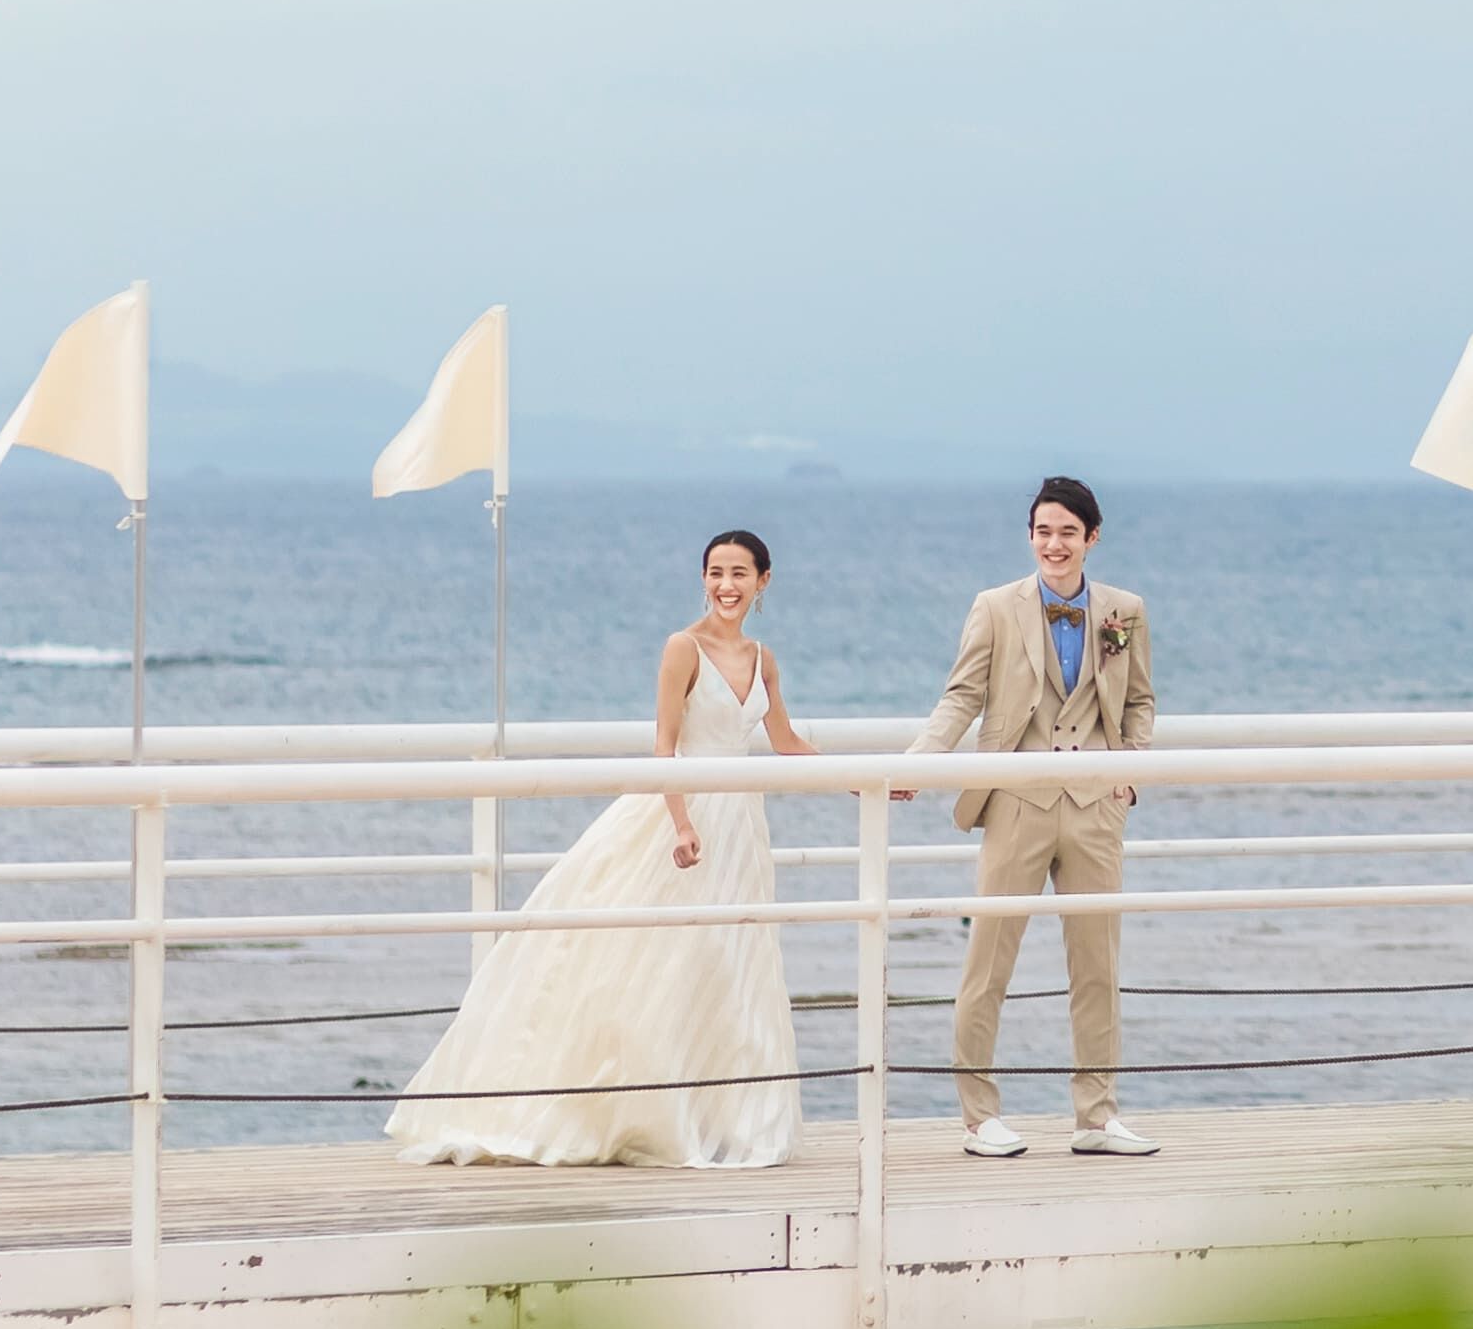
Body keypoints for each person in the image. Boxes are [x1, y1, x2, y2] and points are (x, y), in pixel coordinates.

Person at [388, 527, 812, 1167]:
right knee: (653, 963)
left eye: (739, 574)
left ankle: (716, 1118)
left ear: (763, 582)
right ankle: (630, 1111)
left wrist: (868, 780)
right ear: (703, 579)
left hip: (740, 828)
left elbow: (785, 742)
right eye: (716, 573)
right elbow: (664, 747)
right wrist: (681, 824)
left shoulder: (763, 658)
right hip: (677, 817)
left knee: (726, 965)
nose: (726, 585)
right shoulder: (683, 648)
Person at [915, 474, 1156, 1154]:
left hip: (1095, 806)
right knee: (988, 963)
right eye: (1044, 531)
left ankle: (1096, 1117)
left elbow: (1140, 700)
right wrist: (918, 762)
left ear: (1092, 538)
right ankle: (978, 1116)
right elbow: (962, 696)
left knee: (1098, 967)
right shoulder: (995, 607)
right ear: (1029, 536)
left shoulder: (1125, 610)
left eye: (1068, 532)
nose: (1055, 544)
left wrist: (1129, 772)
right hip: (1016, 800)